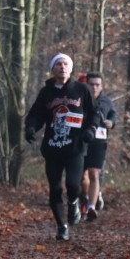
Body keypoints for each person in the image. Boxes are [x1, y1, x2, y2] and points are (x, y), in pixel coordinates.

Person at [24, 53, 100, 241]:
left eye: (66, 64)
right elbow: (36, 114)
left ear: (71, 68)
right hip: (53, 147)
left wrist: (90, 130)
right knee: (55, 188)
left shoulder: (82, 89)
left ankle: (74, 202)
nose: (62, 67)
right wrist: (31, 128)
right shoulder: (46, 92)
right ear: (52, 69)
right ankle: (61, 226)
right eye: (58, 64)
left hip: (75, 147)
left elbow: (94, 113)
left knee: (73, 185)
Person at [80, 71, 116, 220]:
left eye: (97, 85)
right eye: (91, 84)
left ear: (102, 86)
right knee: (82, 177)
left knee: (95, 174)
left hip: (99, 141)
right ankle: (83, 199)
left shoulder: (106, 101)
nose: (94, 88)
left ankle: (91, 208)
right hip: (81, 141)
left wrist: (111, 123)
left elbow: (113, 115)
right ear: (86, 84)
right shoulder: (79, 100)